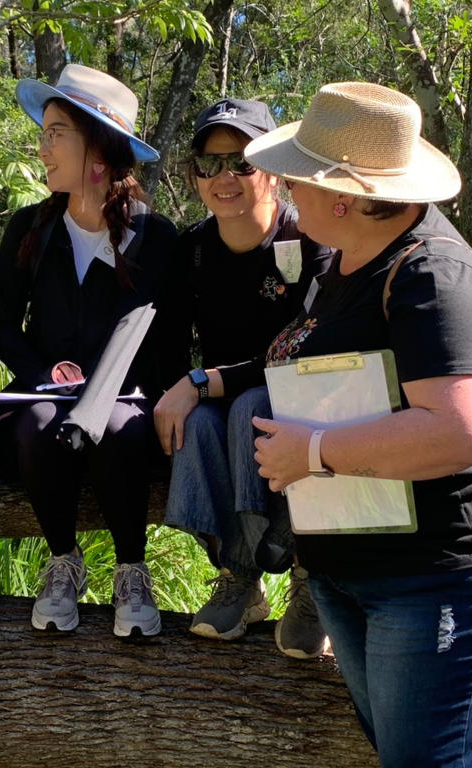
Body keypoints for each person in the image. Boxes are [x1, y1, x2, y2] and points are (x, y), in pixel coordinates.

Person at [242, 81, 472, 767]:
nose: (286, 191)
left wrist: (315, 452)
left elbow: (464, 429)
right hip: (366, 570)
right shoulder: (348, 263)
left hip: (444, 573)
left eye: (295, 177)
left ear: (344, 197)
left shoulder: (434, 276)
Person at [0, 64, 178, 637]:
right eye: (42, 133)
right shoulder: (30, 228)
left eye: (55, 134)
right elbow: (2, 327)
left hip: (127, 398)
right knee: (41, 422)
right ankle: (63, 562)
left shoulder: (154, 235)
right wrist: (45, 372)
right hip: (42, 393)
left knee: (117, 426)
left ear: (98, 145)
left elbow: (164, 340)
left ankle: (131, 569)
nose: (42, 148)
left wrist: (172, 405)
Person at [152, 99, 333, 652]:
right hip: (227, 400)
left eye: (240, 162)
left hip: (304, 398)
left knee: (249, 404)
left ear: (273, 174)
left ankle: (308, 575)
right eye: (208, 165)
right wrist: (175, 392)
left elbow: (304, 349)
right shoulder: (194, 251)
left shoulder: (310, 240)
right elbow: (168, 341)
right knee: (200, 425)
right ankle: (240, 579)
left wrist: (203, 382)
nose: (223, 177)